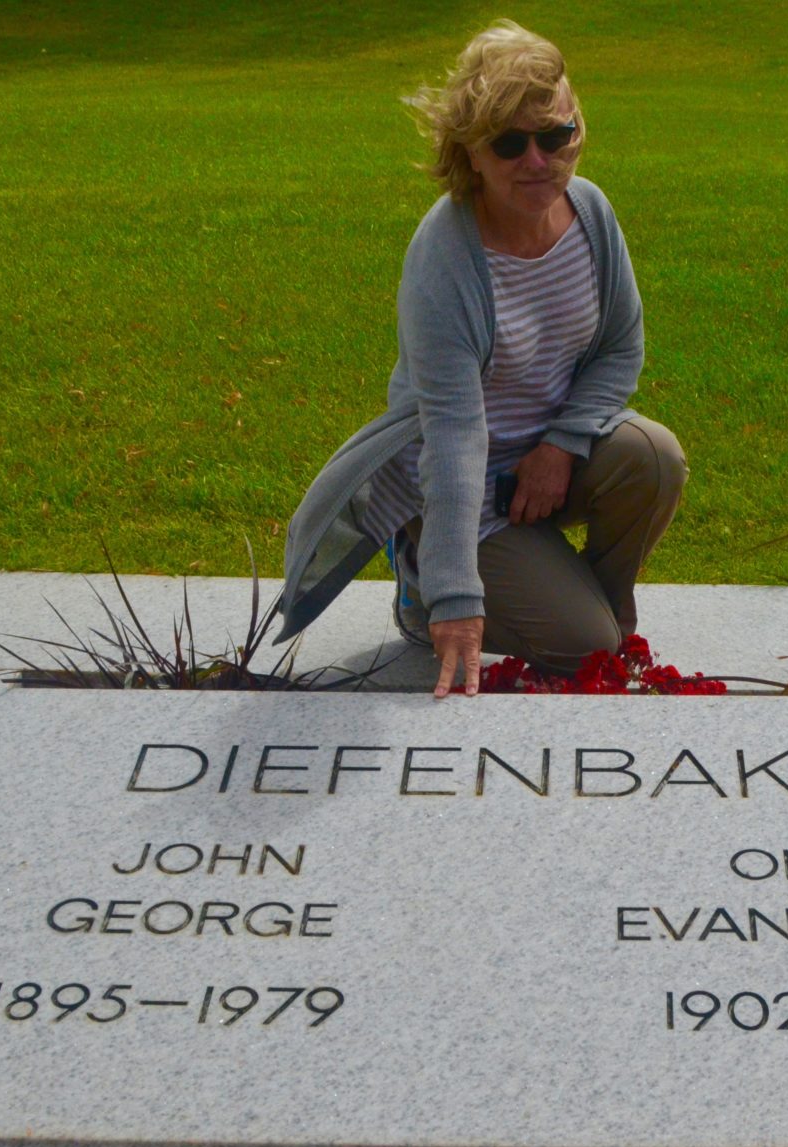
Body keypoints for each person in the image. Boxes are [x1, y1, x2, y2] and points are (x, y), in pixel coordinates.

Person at [274, 20, 686, 698]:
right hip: (459, 486)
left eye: (557, 135)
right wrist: (453, 595)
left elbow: (620, 347)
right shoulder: (446, 257)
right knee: (579, 643)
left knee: (653, 458)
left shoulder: (590, 212)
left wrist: (560, 443)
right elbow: (455, 437)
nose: (539, 159)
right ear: (470, 152)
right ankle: (418, 579)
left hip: (548, 464)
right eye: (511, 143)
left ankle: (607, 622)